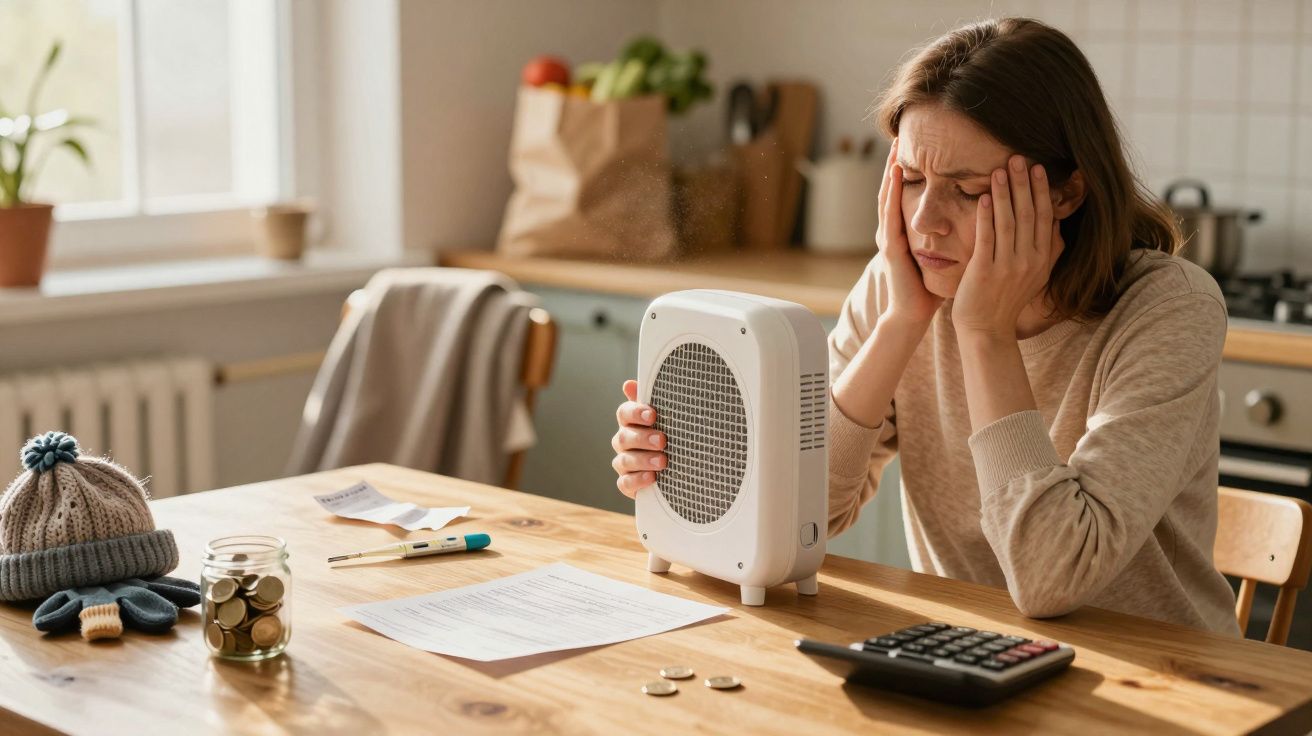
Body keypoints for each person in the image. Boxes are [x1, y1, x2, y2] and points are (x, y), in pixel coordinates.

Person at [610, 17, 1240, 635]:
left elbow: (1053, 578)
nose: (926, 221)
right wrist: (901, 321)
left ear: (1067, 193)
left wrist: (984, 333)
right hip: (966, 653)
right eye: (912, 179)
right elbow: (802, 516)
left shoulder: (1168, 309)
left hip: (1164, 679)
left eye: (967, 190)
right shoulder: (904, 282)